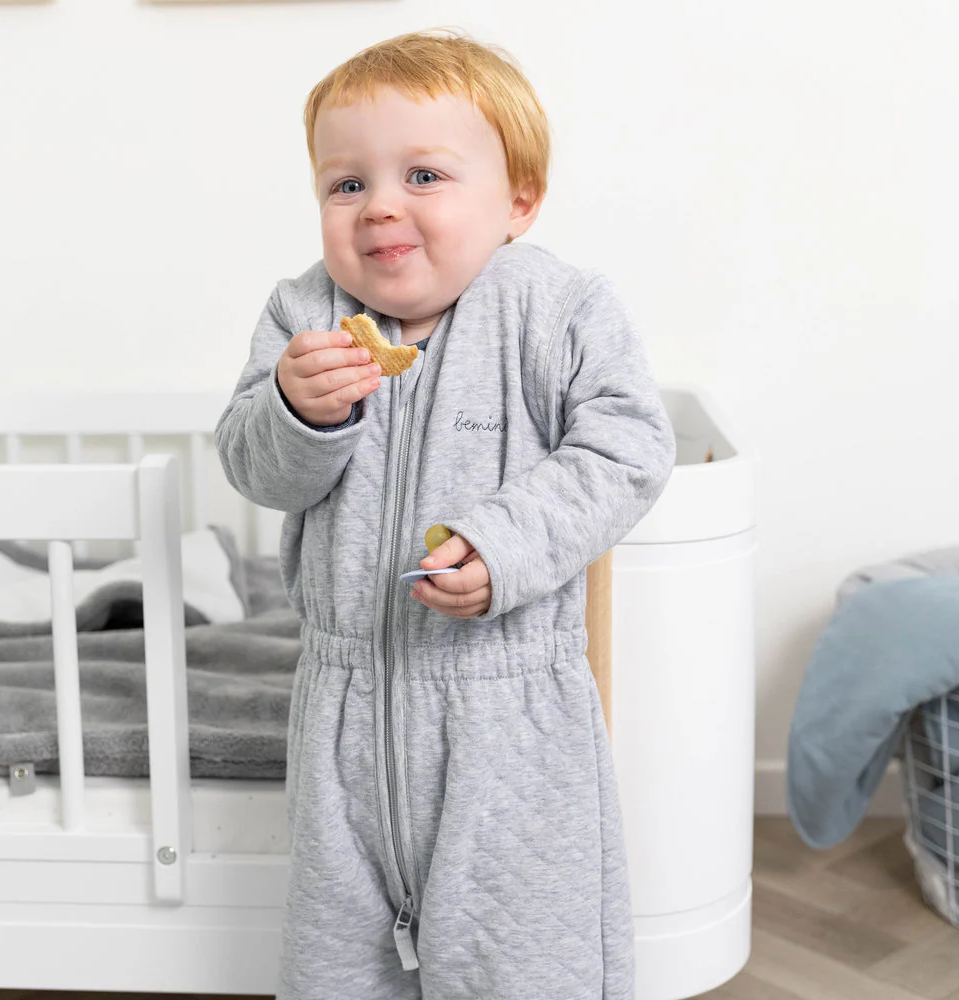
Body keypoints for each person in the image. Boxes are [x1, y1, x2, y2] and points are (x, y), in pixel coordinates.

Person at [215, 27, 676, 1000]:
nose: (380, 204)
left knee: (524, 964)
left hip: (508, 719)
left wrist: (503, 544)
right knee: (338, 969)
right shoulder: (304, 317)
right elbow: (255, 469)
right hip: (341, 714)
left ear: (518, 200)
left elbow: (630, 446)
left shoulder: (556, 309)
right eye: (347, 184)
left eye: (423, 175)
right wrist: (298, 411)